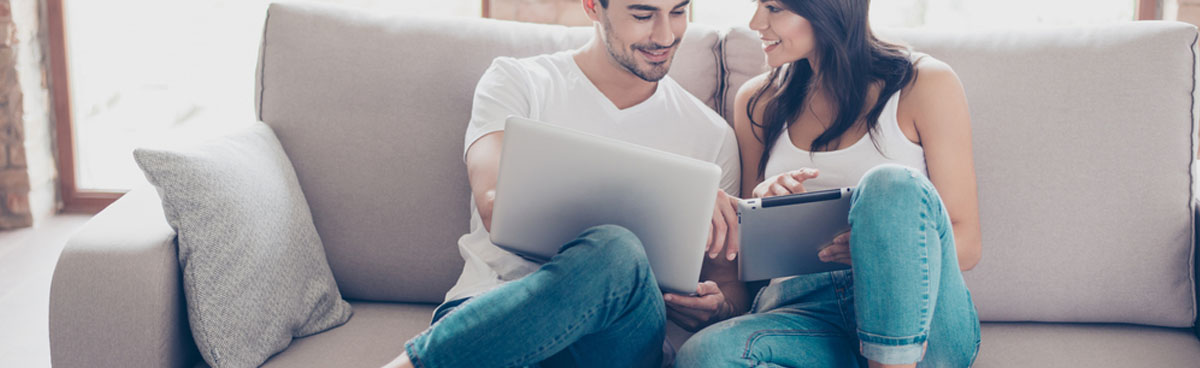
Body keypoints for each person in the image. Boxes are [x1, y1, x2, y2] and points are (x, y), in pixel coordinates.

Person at [382, 0, 745, 367]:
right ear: (592, 7)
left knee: (619, 253)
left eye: (679, 12)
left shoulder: (710, 135)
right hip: (495, 316)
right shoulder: (518, 82)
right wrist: (667, 201)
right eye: (642, 15)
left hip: (616, 341)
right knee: (615, 248)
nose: (666, 35)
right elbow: (496, 206)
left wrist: (716, 308)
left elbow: (730, 286)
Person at [671, 0, 983, 367]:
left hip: (920, 320)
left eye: (773, 8)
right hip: (803, 317)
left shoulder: (924, 82)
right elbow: (747, 270)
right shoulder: (758, 102)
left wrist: (883, 250)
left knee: (890, 184)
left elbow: (968, 243)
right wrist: (763, 205)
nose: (756, 22)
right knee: (704, 355)